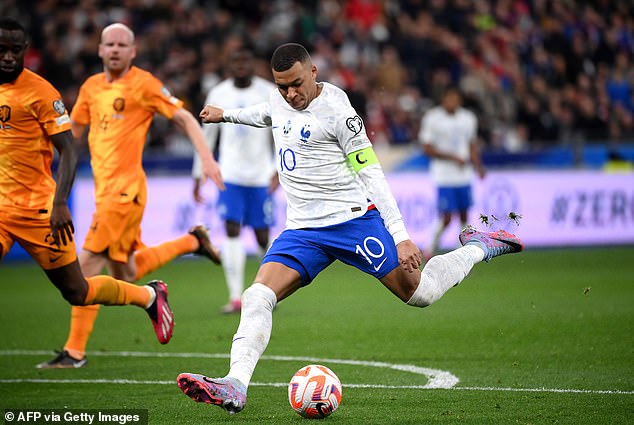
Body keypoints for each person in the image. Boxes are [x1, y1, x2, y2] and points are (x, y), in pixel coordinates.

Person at [176, 43, 523, 414]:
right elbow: (265, 113)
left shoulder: (340, 113)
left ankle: (479, 245)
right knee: (256, 296)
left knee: (420, 293)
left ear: (313, 72)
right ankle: (235, 384)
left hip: (354, 222)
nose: (290, 94)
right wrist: (225, 115)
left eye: (296, 84)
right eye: (282, 87)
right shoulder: (278, 100)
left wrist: (401, 236)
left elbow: (371, 173)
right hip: (303, 231)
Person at [37, 23, 225, 369]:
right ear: (99, 49)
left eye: (123, 44)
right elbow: (71, 135)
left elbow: (183, 117)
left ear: (133, 51)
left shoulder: (144, 84)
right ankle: (192, 243)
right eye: (109, 44)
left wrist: (207, 158)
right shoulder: (91, 87)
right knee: (126, 272)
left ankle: (74, 351)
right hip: (102, 191)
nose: (115, 50)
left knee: (86, 268)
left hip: (125, 192)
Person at [0, 18, 175, 358]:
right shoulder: (93, 87)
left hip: (40, 209)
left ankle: (149, 297)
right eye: (1, 50)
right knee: (114, 264)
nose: (8, 57)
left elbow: (69, 148)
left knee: (78, 289)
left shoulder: (40, 92)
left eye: (15, 50)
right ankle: (75, 351)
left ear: (25, 52)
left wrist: (60, 201)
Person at [193, 44, 278, 314]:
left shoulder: (267, 91)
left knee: (263, 234)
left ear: (252, 64)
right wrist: (199, 173)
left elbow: (280, 132)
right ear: (229, 66)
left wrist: (278, 169)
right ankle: (235, 297)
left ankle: (271, 292)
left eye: (245, 61)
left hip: (261, 174)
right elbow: (207, 137)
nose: (241, 66)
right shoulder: (219, 93)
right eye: (236, 61)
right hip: (229, 174)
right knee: (231, 230)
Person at [418, 86, 486, 259]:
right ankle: (430, 249)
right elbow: (426, 148)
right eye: (449, 98)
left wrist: (478, 165)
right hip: (444, 176)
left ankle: (461, 254)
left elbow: (471, 145)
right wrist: (452, 157)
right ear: (443, 99)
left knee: (464, 214)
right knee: (447, 217)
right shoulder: (433, 118)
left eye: (455, 99)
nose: (452, 102)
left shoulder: (468, 118)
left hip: (463, 175)